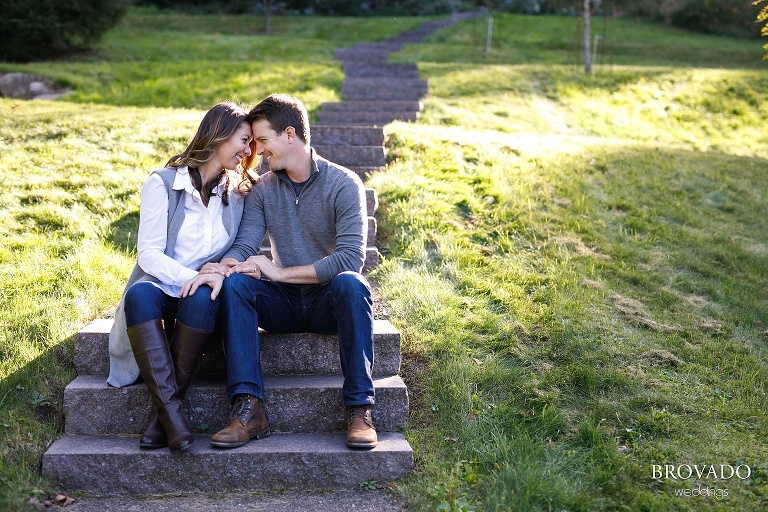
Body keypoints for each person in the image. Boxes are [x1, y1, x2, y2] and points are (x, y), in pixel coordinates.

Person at [202, 93, 377, 449]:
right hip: (282, 305)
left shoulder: (344, 184)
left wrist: (279, 273)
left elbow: (349, 259)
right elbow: (246, 245)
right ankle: (249, 409)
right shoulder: (265, 189)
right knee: (237, 286)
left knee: (352, 284)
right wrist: (223, 266)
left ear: (290, 134)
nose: (259, 151)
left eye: (263, 140)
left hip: (328, 301)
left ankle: (359, 409)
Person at [107, 102, 258, 453]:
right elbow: (149, 255)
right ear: (218, 134)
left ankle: (160, 423)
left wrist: (218, 270)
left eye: (252, 143)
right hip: (163, 286)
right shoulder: (163, 184)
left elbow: (241, 245)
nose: (248, 151)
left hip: (199, 302)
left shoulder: (236, 193)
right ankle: (172, 417)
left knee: (203, 296)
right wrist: (193, 275)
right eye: (244, 140)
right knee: (139, 295)